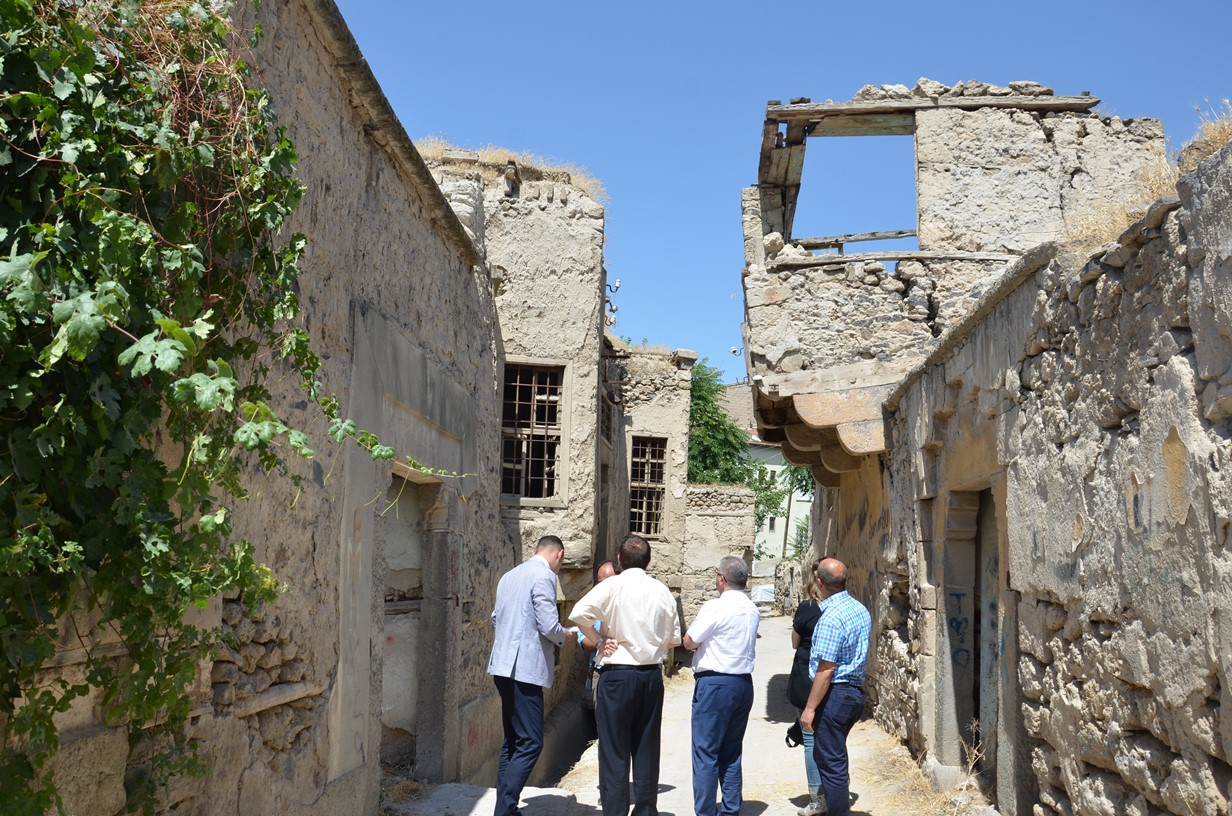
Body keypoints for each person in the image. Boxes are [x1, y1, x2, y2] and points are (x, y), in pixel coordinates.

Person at [570, 534, 682, 816]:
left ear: (619, 561)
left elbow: (578, 613)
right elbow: (675, 639)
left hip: (617, 675)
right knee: (646, 748)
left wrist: (598, 640)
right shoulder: (662, 591)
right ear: (649, 561)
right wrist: (650, 641)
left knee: (614, 751)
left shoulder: (613, 586)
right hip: (650, 677)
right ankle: (645, 810)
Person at [487, 536, 570, 816]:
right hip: (525, 671)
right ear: (558, 555)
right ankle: (505, 807)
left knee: (513, 741)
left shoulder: (510, 576)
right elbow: (549, 624)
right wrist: (565, 635)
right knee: (532, 742)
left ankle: (505, 807)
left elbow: (496, 618)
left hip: (503, 666)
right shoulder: (544, 576)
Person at [682, 555, 760, 816]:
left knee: (705, 753)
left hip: (715, 683)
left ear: (721, 579)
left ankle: (705, 811)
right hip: (742, 683)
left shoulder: (715, 607)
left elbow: (690, 641)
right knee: (731, 752)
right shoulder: (752, 608)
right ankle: (731, 809)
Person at [799, 558, 871, 816]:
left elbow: (826, 670)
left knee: (831, 762)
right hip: (853, 694)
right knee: (835, 755)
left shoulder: (830, 618)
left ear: (819, 582)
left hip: (837, 695)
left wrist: (809, 708)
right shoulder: (859, 609)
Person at [789, 558, 826, 816]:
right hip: (834, 680)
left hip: (807, 677)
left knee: (811, 738)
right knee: (833, 739)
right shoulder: (844, 608)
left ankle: (816, 799)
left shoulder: (807, 607)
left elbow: (795, 642)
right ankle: (834, 791)